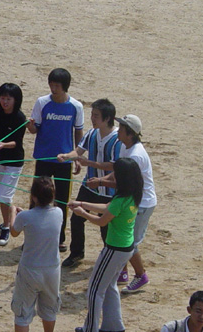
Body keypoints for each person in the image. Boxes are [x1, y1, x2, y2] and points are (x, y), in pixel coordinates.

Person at [70, 157, 143, 332]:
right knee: (109, 287)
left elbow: (102, 221)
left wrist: (82, 213)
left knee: (95, 290)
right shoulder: (132, 195)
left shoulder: (120, 199)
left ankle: (90, 328)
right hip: (126, 249)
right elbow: (107, 207)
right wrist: (81, 204)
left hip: (114, 249)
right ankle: (114, 326)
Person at [88, 114, 157, 292]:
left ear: (130, 133)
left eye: (123, 127)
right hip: (133, 199)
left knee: (129, 243)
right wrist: (102, 179)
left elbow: (122, 181)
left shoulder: (135, 155)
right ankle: (123, 272)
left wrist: (101, 182)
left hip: (142, 203)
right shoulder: (126, 147)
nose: (118, 130)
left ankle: (141, 275)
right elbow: (118, 171)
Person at [57, 99, 122, 267]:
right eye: (92, 115)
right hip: (90, 186)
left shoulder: (116, 139)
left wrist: (90, 164)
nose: (92, 119)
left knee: (106, 226)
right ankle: (77, 253)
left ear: (107, 118)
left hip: (108, 191)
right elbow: (78, 151)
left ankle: (109, 258)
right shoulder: (92, 134)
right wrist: (66, 156)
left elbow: (115, 166)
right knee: (76, 218)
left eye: (96, 116)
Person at [27, 68, 84, 252]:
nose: (53, 88)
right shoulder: (42, 102)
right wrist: (30, 126)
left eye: (57, 85)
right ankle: (31, 235)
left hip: (64, 160)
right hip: (44, 156)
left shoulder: (76, 106)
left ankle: (59, 238)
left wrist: (76, 156)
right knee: (36, 197)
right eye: (51, 84)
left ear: (65, 86)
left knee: (61, 200)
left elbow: (78, 131)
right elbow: (35, 129)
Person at [10, 176, 62, 332]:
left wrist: (13, 212)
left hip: (30, 269)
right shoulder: (58, 212)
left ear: (33, 196)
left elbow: (14, 232)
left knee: (22, 313)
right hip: (52, 270)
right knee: (49, 311)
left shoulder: (25, 216)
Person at [0, 83, 26, 246]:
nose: (5, 102)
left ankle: (6, 226)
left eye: (8, 99)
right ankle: (10, 214)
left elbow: (17, 142)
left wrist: (2, 145)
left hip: (14, 162)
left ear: (15, 100)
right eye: (2, 98)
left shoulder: (19, 117)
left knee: (4, 195)